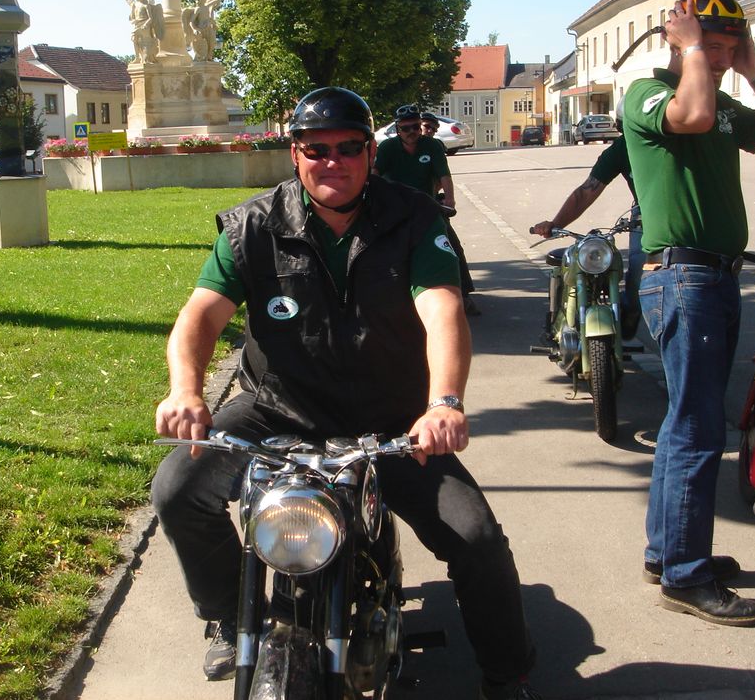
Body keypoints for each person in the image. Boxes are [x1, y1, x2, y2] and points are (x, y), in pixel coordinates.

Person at [153, 87, 539, 700]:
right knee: (177, 489)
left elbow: (443, 311)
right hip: (276, 410)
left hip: (392, 422)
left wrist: (443, 403)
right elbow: (200, 315)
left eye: (349, 147)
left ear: (370, 153)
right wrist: (186, 390)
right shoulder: (252, 225)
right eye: (317, 149)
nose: (333, 161)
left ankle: (507, 672)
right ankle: (228, 614)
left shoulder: (415, 218)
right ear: (295, 154)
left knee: (477, 539)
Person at [622, 0, 755, 626]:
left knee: (685, 425)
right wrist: (693, 49)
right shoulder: (647, 95)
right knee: (697, 429)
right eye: (712, 45)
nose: (721, 57)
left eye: (729, 47)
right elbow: (692, 115)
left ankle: (669, 553)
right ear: (678, 40)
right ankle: (686, 575)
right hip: (683, 278)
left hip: (715, 279)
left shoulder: (725, 100)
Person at [531, 101, 643, 340]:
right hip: (644, 218)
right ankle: (626, 319)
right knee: (637, 286)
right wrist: (556, 224)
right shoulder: (621, 149)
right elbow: (587, 191)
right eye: (626, 128)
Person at [374, 103, 479, 315]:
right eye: (405, 128)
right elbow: (374, 174)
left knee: (449, 244)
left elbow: (444, 175)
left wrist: (450, 200)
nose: (411, 132)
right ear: (397, 129)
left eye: (415, 127)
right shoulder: (387, 148)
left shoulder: (432, 146)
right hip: (394, 207)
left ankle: (463, 294)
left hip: (426, 206)